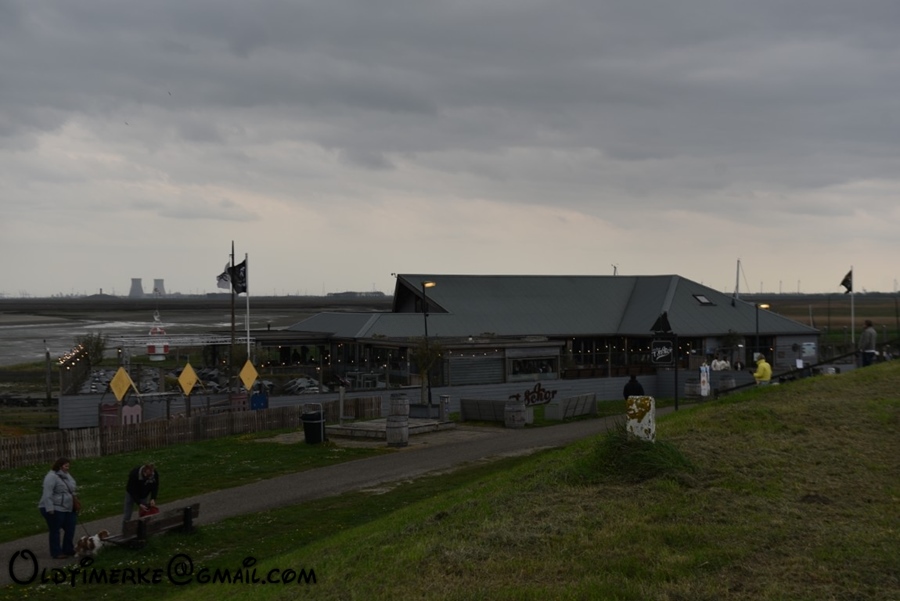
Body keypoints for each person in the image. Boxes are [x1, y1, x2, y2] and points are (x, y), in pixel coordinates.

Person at [38, 457, 78, 559]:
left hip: (68, 507)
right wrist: (50, 509)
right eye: (66, 466)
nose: (67, 468)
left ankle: (68, 549)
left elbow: (72, 488)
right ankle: (56, 552)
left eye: (68, 466)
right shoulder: (51, 477)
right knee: (55, 530)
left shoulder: (66, 475)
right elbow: (47, 494)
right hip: (55, 507)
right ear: (59, 466)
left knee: (70, 528)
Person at [123, 463, 159, 528]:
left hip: (144, 494)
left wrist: (153, 498)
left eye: (151, 475)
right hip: (131, 494)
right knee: (127, 514)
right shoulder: (134, 474)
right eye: (148, 476)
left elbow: (155, 486)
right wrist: (139, 503)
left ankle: (142, 529)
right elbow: (132, 490)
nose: (149, 477)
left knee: (144, 513)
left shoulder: (154, 474)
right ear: (144, 472)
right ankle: (125, 529)